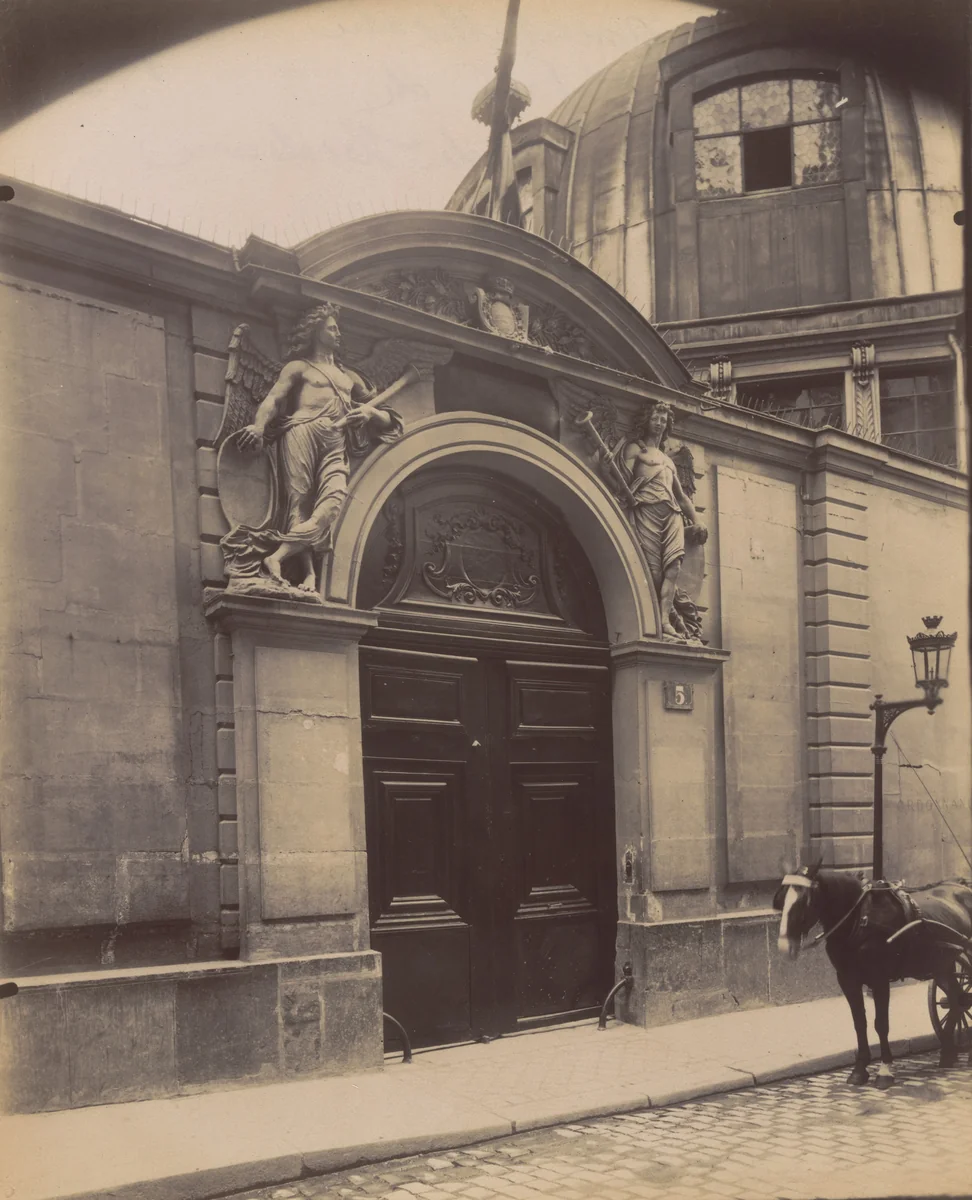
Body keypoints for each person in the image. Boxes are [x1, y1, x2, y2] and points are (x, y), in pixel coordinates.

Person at [236, 303, 403, 591]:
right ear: (316, 331)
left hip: (335, 439)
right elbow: (274, 400)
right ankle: (309, 575)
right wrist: (259, 427)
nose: (338, 333)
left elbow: (387, 416)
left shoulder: (349, 377)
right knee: (299, 503)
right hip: (302, 431)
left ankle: (277, 556)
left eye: (337, 328)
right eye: (332, 328)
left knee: (331, 505)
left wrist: (369, 413)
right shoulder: (299, 367)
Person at [621, 400, 707, 640]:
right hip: (647, 510)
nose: (659, 423)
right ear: (646, 421)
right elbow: (623, 479)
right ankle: (661, 620)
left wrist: (697, 520)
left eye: (663, 420)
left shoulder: (669, 461)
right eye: (655, 419)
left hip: (672, 514)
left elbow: (681, 497)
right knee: (653, 571)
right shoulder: (635, 449)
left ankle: (665, 622)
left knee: (674, 567)